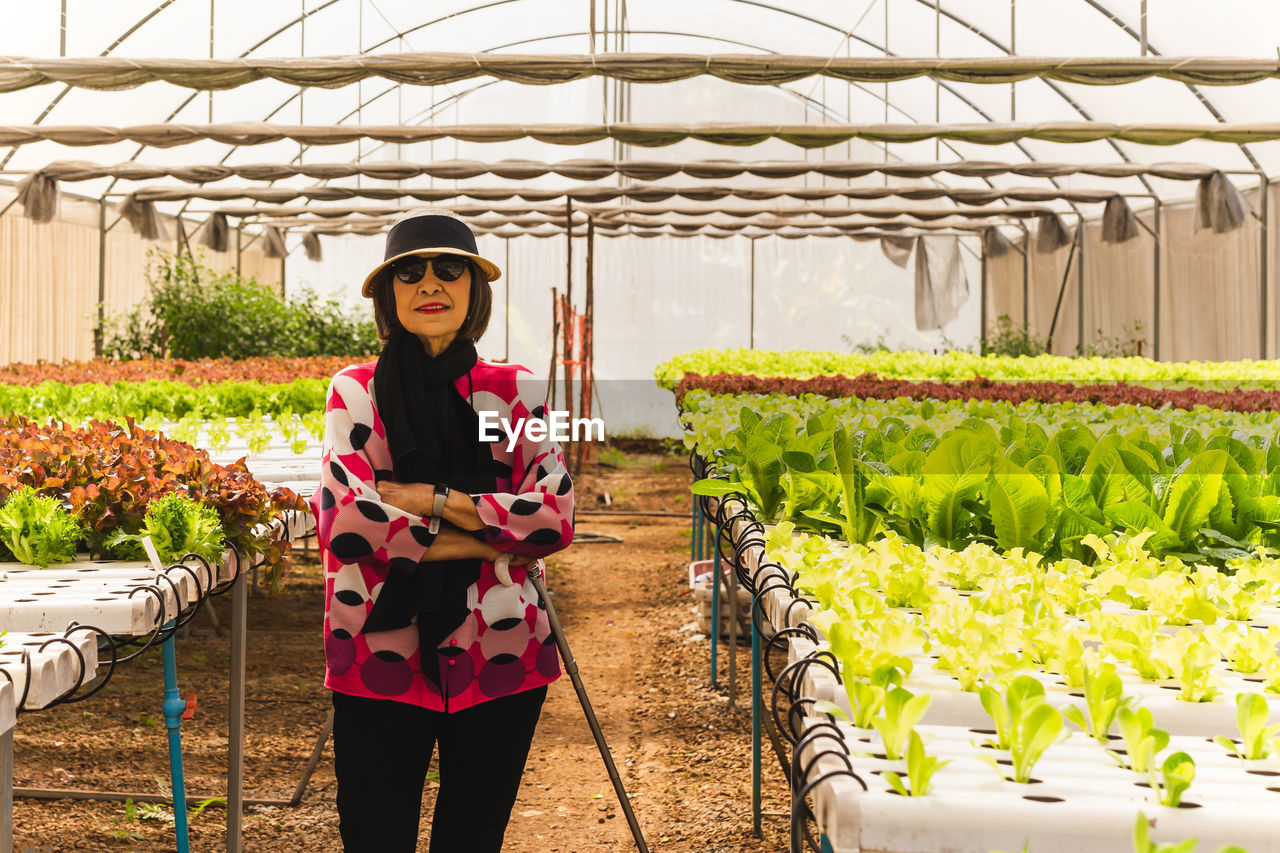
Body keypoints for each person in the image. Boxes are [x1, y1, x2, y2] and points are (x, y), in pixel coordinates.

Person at [310, 209, 575, 852]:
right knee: (376, 837)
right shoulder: (358, 393)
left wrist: (435, 499)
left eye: (449, 269)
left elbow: (555, 517)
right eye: (410, 272)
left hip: (500, 650)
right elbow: (345, 523)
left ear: (473, 290)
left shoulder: (514, 393)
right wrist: (495, 538)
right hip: (380, 648)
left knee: (471, 838)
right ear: (390, 293)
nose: (430, 284)